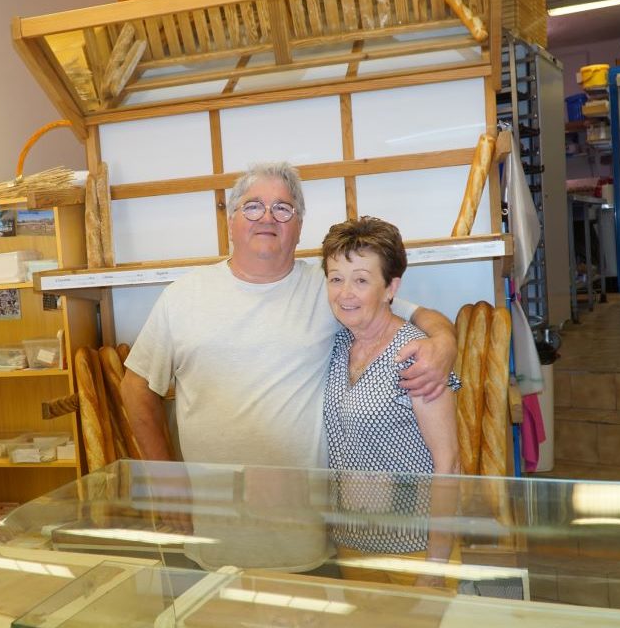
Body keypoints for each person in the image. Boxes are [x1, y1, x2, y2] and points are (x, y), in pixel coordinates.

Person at [121, 161, 457, 468]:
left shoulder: (330, 287)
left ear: (298, 228)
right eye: (252, 207)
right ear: (231, 222)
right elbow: (136, 386)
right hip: (213, 510)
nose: (267, 217)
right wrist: (165, 477)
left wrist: (443, 342)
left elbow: (414, 316)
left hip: (307, 516)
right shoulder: (182, 296)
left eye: (283, 209)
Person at [320, 216, 460, 588]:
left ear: (390, 287)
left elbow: (449, 462)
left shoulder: (417, 354)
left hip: (414, 552)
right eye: (336, 278)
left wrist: (435, 564)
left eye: (361, 280)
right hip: (351, 547)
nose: (345, 293)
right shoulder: (336, 346)